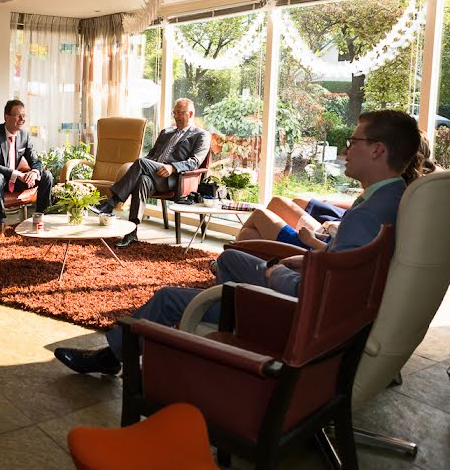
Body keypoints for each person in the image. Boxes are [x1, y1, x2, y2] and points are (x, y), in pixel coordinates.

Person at [54, 109, 421, 375]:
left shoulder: (366, 215)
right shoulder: (393, 199)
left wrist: (278, 272)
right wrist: (304, 260)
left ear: (377, 150)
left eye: (353, 141)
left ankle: (114, 355)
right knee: (230, 258)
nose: (346, 149)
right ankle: (216, 320)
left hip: (291, 311)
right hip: (309, 292)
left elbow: (321, 294)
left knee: (168, 297)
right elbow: (340, 271)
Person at [236, 129, 438, 249]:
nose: (346, 151)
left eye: (354, 143)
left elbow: (344, 252)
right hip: (329, 238)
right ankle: (229, 268)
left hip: (320, 248)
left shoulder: (388, 199)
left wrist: (318, 237)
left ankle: (226, 268)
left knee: (259, 219)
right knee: (258, 225)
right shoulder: (398, 191)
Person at [88, 98, 210, 248]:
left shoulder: (201, 135)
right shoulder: (166, 132)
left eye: (180, 113)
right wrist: (143, 168)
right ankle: (132, 233)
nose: (176, 116)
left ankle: (110, 203)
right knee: (142, 181)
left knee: (140, 162)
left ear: (190, 114)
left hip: (172, 178)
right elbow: (151, 155)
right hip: (153, 174)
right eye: (174, 112)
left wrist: (172, 167)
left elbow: (194, 162)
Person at [0, 100, 53, 239]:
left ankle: (40, 219)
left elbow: (35, 161)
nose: (22, 119)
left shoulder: (24, 136)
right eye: (18, 116)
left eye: (24, 115)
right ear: (6, 117)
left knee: (46, 175)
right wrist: (17, 174)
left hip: (11, 180)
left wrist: (34, 172)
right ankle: (1, 225)